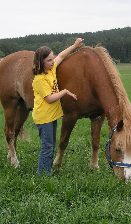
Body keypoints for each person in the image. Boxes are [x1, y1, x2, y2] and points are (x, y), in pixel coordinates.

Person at [32, 38, 84, 175]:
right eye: (49, 60)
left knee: (50, 145)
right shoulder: (40, 79)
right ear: (41, 62)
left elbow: (61, 56)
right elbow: (49, 99)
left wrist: (74, 46)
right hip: (44, 117)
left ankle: (46, 171)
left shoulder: (50, 69)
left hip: (51, 116)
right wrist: (65, 92)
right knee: (47, 147)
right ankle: (43, 175)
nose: (52, 61)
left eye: (52, 58)